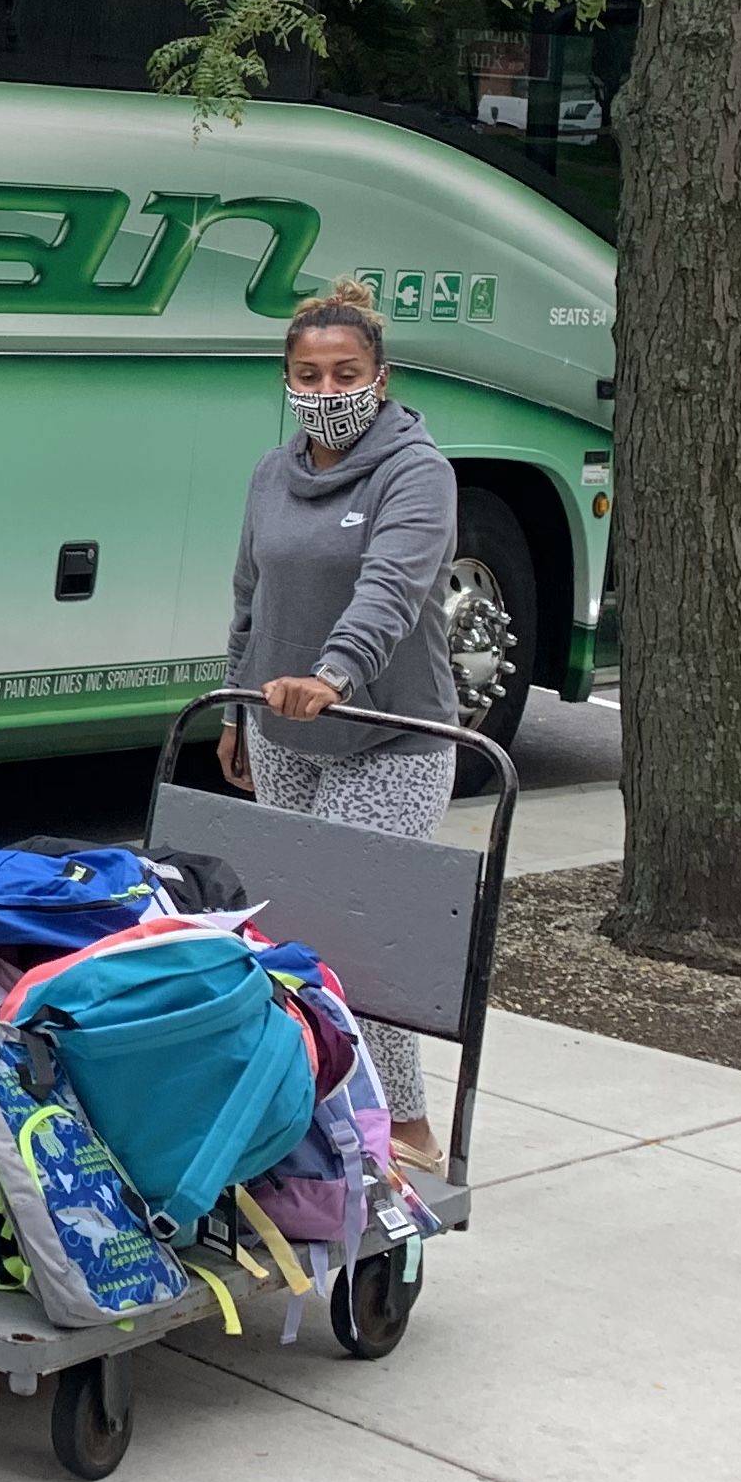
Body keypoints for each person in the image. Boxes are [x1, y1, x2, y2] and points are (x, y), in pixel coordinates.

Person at [221, 279, 462, 1174]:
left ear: (382, 377)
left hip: (390, 735)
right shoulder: (269, 478)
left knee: (362, 937)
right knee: (285, 936)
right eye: (309, 376)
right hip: (284, 733)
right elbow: (252, 598)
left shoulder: (417, 472)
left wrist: (333, 676)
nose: (327, 393)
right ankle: (308, 1104)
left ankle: (402, 1124)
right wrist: (241, 705)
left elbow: (392, 589)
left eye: (345, 374)